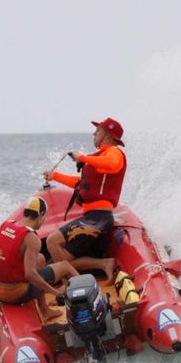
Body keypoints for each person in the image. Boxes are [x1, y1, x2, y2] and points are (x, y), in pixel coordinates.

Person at [42, 117, 127, 280]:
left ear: (107, 135)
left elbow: (112, 162)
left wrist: (82, 158)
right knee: (60, 261)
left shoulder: (114, 153)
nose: (94, 133)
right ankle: (103, 264)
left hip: (99, 217)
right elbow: (81, 184)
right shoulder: (98, 158)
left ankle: (73, 283)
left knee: (53, 241)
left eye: (99, 130)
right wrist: (55, 176)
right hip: (92, 217)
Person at [0, 196, 78, 319]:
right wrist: (55, 292)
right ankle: (95, 298)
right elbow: (30, 275)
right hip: (15, 294)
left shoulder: (6, 225)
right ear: (41, 215)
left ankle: (45, 311)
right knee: (66, 266)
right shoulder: (32, 238)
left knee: (40, 259)